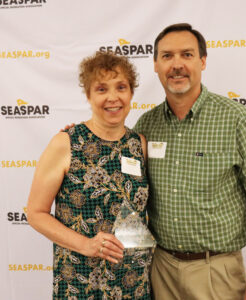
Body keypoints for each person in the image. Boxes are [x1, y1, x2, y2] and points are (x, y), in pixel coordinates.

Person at [133, 23, 246, 300]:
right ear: (155, 65)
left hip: (217, 271)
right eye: (167, 56)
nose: (177, 65)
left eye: (186, 55)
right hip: (160, 269)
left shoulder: (238, 120)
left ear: (202, 61)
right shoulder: (146, 124)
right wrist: (79, 138)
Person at [27, 51, 153, 300]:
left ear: (131, 93)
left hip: (133, 283)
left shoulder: (139, 144)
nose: (113, 98)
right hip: (81, 281)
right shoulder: (66, 142)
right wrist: (85, 245)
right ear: (88, 95)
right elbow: (35, 213)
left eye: (121, 87)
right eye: (102, 89)